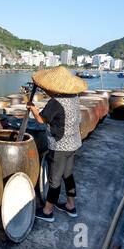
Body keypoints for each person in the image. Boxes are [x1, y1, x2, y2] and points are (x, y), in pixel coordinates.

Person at [26, 66, 88, 223]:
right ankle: (70, 205)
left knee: (54, 180)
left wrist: (32, 108)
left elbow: (41, 120)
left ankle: (48, 211)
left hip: (60, 146)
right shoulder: (74, 96)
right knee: (68, 175)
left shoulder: (55, 102)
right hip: (74, 143)